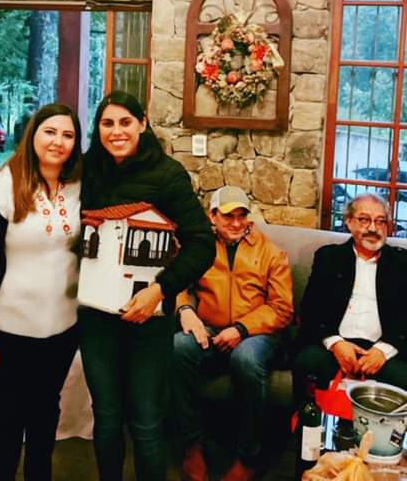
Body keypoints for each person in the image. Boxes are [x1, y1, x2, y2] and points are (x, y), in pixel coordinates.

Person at [79, 90, 215, 481]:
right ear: (98, 128)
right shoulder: (85, 171)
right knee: (106, 417)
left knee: (146, 421)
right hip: (95, 318)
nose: (116, 131)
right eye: (107, 123)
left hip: (150, 322)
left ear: (142, 123)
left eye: (125, 122)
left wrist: (161, 290)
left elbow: (202, 244)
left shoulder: (168, 174)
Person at [0, 103, 82, 481]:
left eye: (68, 135)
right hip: (8, 331)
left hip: (61, 331)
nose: (58, 141)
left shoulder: (80, 188)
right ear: (33, 134)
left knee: (45, 418)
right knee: (5, 423)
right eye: (50, 131)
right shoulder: (2, 187)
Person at [172, 186, 293, 481]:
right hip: (210, 330)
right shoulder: (199, 247)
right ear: (212, 216)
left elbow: (282, 308)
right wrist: (185, 309)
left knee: (246, 358)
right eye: (228, 216)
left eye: (242, 216)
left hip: (257, 334)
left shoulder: (270, 252)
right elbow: (177, 284)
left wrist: (241, 329)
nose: (237, 223)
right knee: (178, 347)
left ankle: (249, 455)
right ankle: (192, 444)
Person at [293, 193, 407, 401]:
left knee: (402, 377)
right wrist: (335, 343)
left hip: (384, 349)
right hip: (335, 345)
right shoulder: (329, 257)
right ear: (348, 222)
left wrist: (383, 350)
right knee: (308, 362)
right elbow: (310, 309)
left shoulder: (402, 263)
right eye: (364, 220)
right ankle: (311, 422)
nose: (373, 228)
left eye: (380, 221)